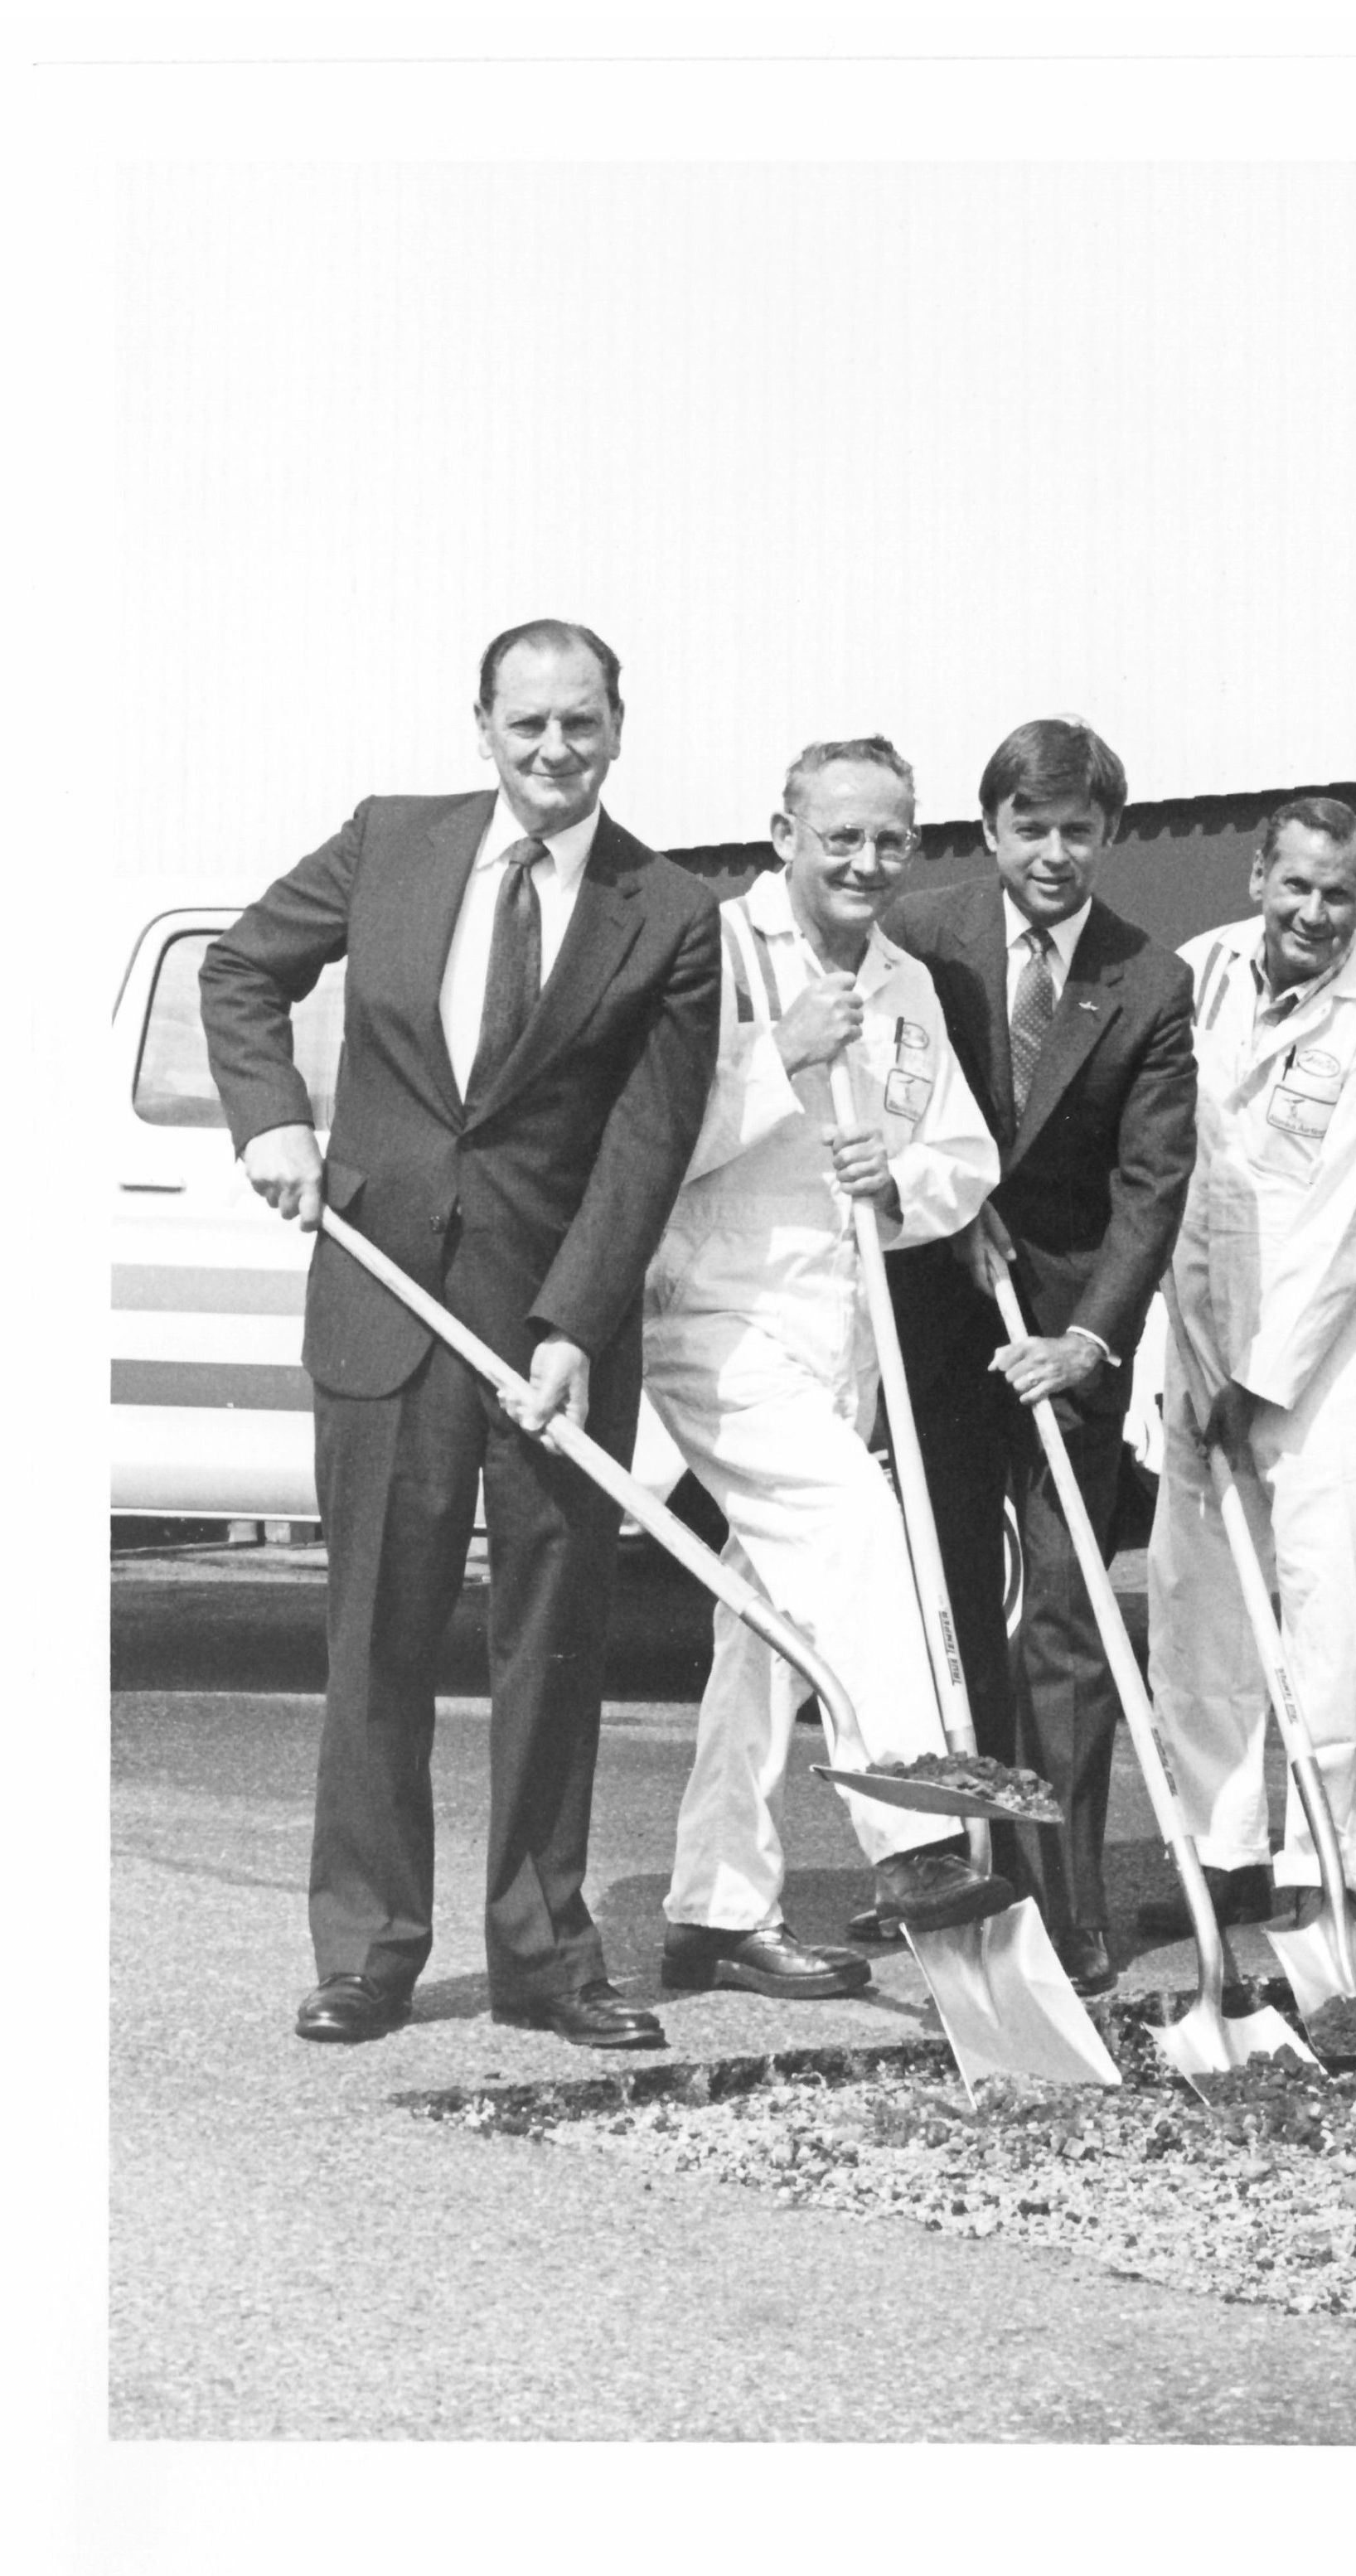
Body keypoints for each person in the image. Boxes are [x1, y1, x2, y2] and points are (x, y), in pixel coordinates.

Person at [201, 620, 722, 2047]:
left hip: (554, 1337)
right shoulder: (392, 841)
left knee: (552, 1649)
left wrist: (574, 1324)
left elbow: (648, 1140)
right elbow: (241, 970)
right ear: (482, 726)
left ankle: (546, 1959)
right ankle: (367, 1951)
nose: (555, 750)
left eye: (581, 723)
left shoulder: (672, 911)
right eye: (528, 723)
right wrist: (272, 1123)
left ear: (619, 729)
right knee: (377, 1638)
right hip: (385, 1306)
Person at [642, 738, 1008, 1999]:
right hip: (720, 1323)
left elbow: (962, 1157)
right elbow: (644, 1147)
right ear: (783, 834)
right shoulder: (716, 953)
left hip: (844, 1338)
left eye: (890, 839)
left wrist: (899, 1183)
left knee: (769, 1631)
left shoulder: (906, 981)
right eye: (840, 836)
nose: (866, 861)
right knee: (860, 1532)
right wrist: (779, 1062)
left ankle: (715, 1912)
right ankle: (915, 1842)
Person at [879, 717, 1198, 1995]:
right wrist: (941, 1200)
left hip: (1067, 1334)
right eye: (1030, 828)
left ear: (1108, 832)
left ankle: (1067, 1908)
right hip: (937, 1320)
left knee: (1065, 1618)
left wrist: (1089, 1339)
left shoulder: (1149, 980)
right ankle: (963, 1875)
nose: (1054, 853)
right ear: (990, 828)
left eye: (1079, 830)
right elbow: (881, 1095)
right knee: (946, 1610)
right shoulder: (919, 937)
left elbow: (1153, 1184)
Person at [1140, 800, 1356, 1937]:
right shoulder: (1195, 974)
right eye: (1297, 884)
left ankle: (1322, 1860)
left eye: (1339, 893)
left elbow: (1338, 1231)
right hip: (1201, 1325)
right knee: (1198, 1601)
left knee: (1325, 1601)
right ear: (1258, 874)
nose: (1314, 911)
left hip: (1330, 1356)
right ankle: (1222, 1852)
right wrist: (1192, 1346)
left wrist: (1258, 1381)